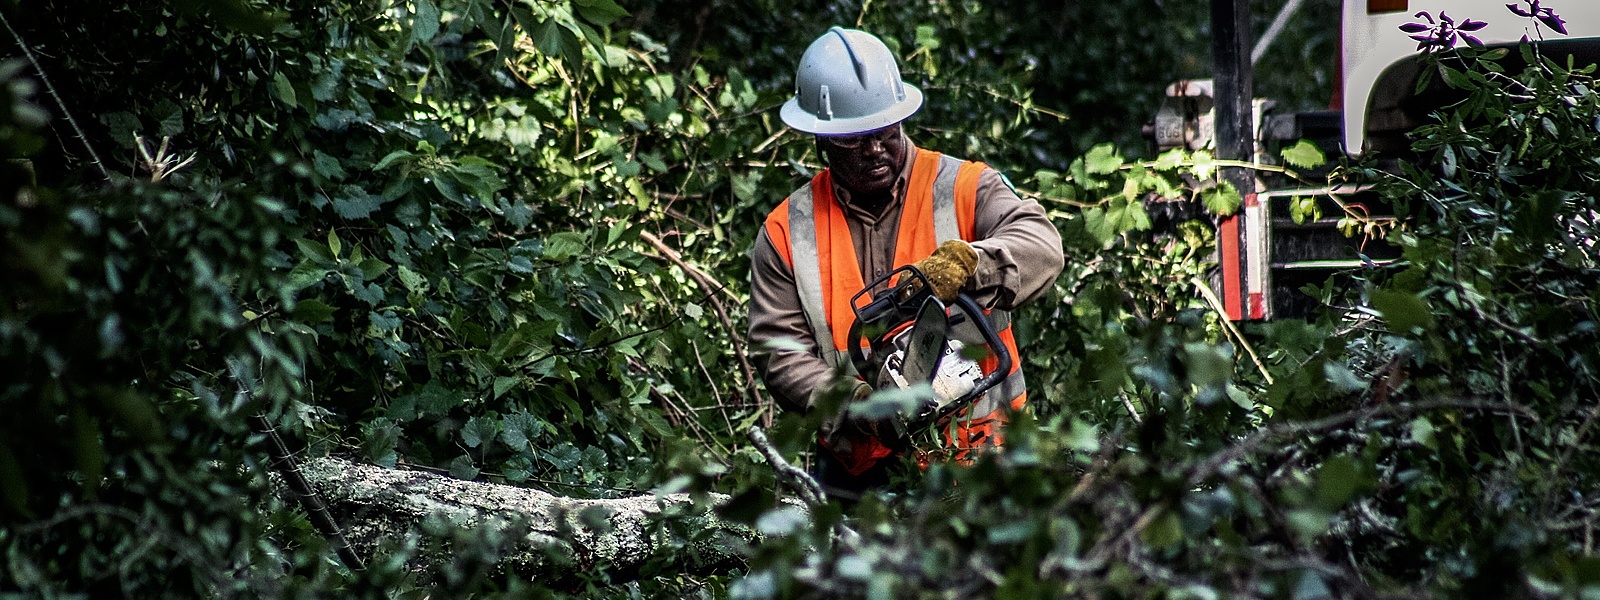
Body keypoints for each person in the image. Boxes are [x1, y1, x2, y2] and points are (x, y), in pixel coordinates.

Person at [748, 26, 1064, 497]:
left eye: (884, 133)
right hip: (859, 476)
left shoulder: (965, 187)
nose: (875, 150)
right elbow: (779, 352)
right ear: (822, 140)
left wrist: (973, 264)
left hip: (986, 457)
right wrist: (856, 406)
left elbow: (1042, 245)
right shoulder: (786, 231)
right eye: (855, 141)